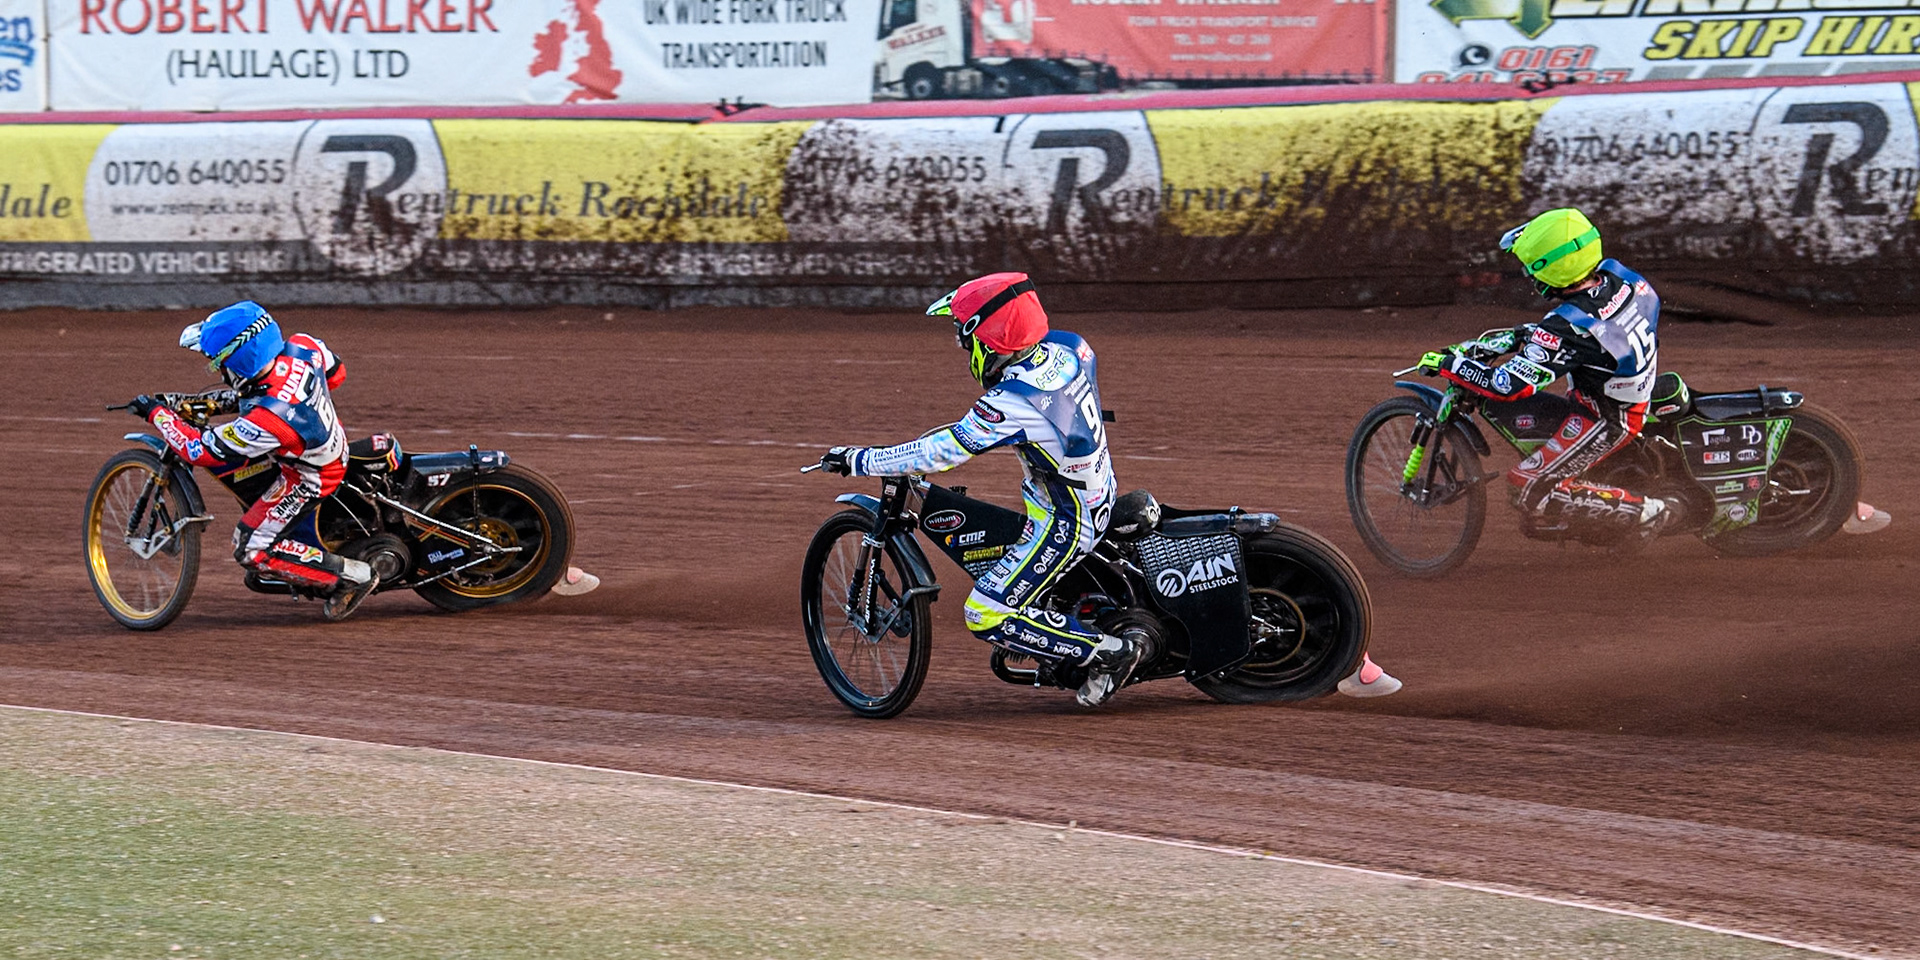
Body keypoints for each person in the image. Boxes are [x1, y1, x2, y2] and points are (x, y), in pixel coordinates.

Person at [815, 272, 1143, 706]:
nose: (963, 347)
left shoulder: (1012, 402)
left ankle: (1108, 653)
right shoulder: (1069, 347)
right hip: (1094, 489)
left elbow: (941, 453)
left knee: (984, 612)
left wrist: (861, 460)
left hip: (1067, 521)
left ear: (989, 338)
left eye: (964, 337)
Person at [1418, 208, 1669, 541]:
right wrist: (1528, 335)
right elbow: (1594, 329)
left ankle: (1647, 512)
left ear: (1551, 270)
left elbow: (1506, 386)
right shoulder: (1622, 278)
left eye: (1530, 268)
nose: (1528, 276)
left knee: (1525, 486)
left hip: (1607, 419)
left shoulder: (1565, 326)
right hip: (1626, 388)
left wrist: (1449, 365)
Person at [126, 301, 379, 620]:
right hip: (327, 443)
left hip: (310, 476)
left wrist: (157, 414)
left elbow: (199, 450)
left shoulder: (267, 420)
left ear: (238, 363)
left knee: (249, 548)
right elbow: (336, 374)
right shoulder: (304, 345)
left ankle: (352, 577)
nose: (220, 373)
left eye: (220, 365)